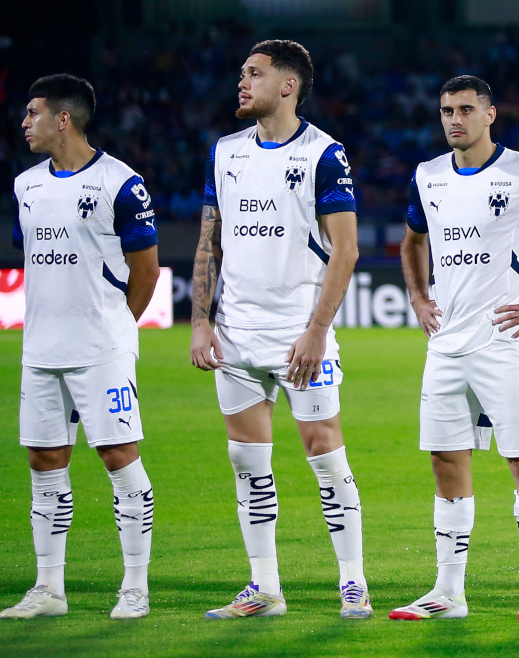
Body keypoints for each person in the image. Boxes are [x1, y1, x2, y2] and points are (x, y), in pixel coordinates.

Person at [391, 75, 519, 622]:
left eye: (465, 109)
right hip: (445, 344)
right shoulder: (428, 176)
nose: (454, 119)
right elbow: (412, 241)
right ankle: (447, 593)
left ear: (490, 115)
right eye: (445, 111)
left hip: (505, 344)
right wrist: (418, 297)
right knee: (445, 461)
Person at [189, 40, 369, 619]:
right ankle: (264, 587)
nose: (241, 83)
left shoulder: (324, 154)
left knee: (325, 455)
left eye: (254, 74)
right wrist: (200, 320)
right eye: (242, 72)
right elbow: (208, 242)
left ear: (288, 85)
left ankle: (353, 583)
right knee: (247, 461)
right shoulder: (225, 152)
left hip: (300, 334)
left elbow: (346, 251)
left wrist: (318, 330)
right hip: (236, 334)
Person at [3, 74, 160, 620]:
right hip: (41, 348)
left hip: (101, 349)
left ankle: (134, 585)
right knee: (44, 462)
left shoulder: (122, 183)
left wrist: (116, 330)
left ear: (62, 119)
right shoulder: (26, 186)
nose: (25, 123)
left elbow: (146, 271)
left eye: (33, 112)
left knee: (119, 457)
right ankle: (49, 589)